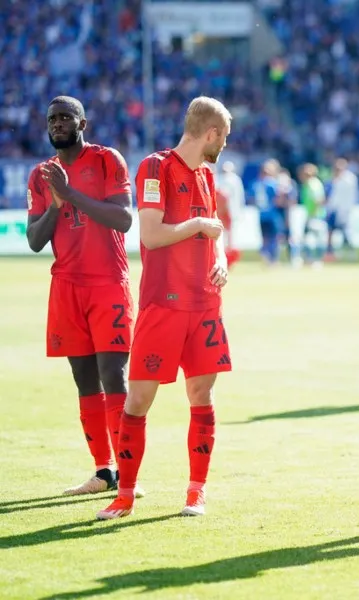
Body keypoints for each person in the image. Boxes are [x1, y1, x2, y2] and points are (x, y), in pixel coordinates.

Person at [97, 97, 233, 520]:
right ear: (211, 133)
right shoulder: (155, 168)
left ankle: (196, 492)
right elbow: (152, 236)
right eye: (224, 137)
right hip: (164, 304)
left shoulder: (206, 175)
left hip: (205, 304)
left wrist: (220, 260)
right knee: (138, 399)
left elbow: (213, 233)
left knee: (202, 395)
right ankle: (125, 495)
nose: (224, 145)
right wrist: (198, 225)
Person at [25, 96, 142, 497]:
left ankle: (128, 471)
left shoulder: (107, 160)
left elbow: (123, 219)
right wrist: (56, 204)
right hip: (66, 287)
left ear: (82, 124)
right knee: (84, 379)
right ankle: (104, 470)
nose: (57, 124)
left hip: (108, 282)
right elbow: (35, 240)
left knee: (113, 374)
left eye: (64, 117)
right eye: (51, 119)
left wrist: (70, 194)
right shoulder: (41, 175)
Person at [325, 157, 359, 260]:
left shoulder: (349, 178)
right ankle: (330, 252)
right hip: (333, 208)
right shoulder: (334, 178)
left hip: (344, 210)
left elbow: (350, 195)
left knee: (345, 231)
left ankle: (350, 251)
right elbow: (332, 195)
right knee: (330, 230)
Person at [216, 160, 244, 269]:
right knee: (223, 236)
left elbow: (239, 197)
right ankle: (223, 259)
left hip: (232, 211)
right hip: (221, 212)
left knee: (232, 237)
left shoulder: (235, 180)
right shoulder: (218, 178)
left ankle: (231, 260)